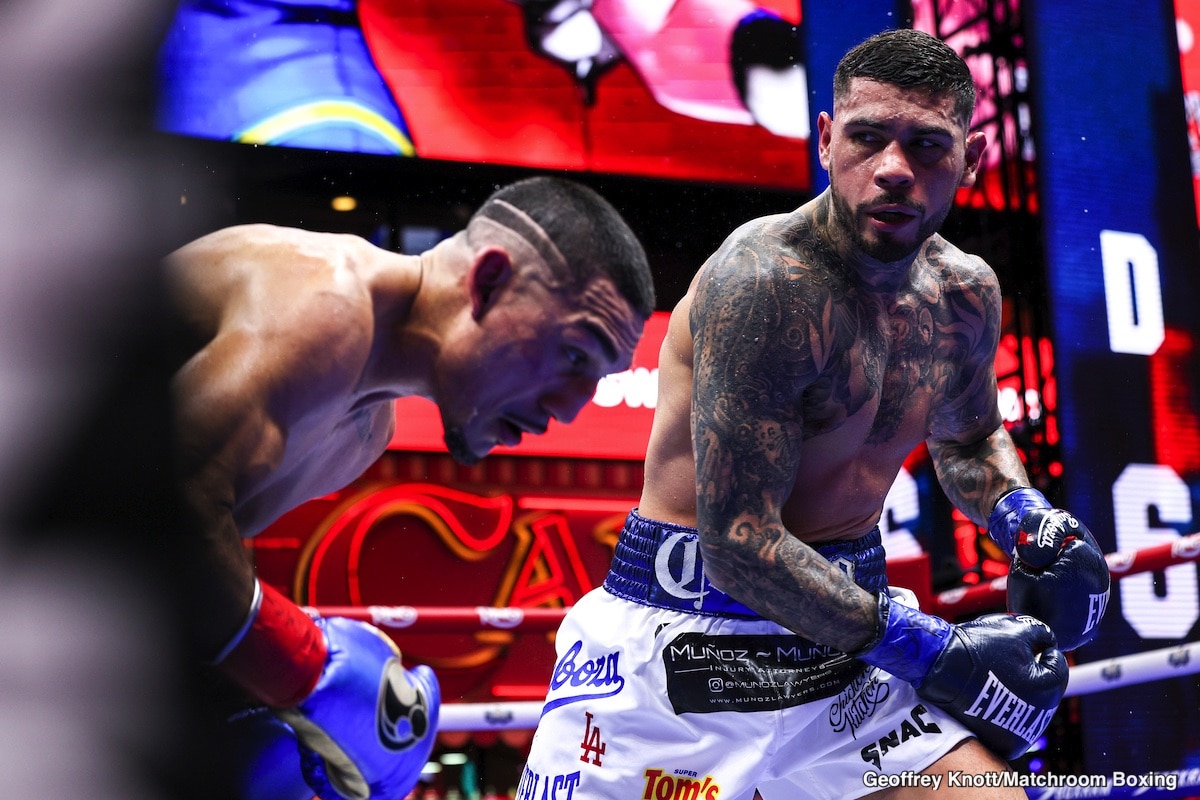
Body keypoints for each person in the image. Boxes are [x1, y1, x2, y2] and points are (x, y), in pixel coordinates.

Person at [520, 28, 1110, 800]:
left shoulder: (964, 295)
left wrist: (1028, 521)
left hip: (850, 655)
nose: (893, 168)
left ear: (972, 157)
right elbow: (738, 543)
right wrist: (934, 652)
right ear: (826, 140)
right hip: (682, 654)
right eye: (868, 137)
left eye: (927, 145)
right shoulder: (764, 282)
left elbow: (968, 438)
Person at [166, 175, 655, 800]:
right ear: (489, 282)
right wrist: (303, 668)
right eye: (575, 355)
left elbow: (160, 569)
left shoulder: (365, 433)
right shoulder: (328, 301)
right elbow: (153, 504)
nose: (568, 409)